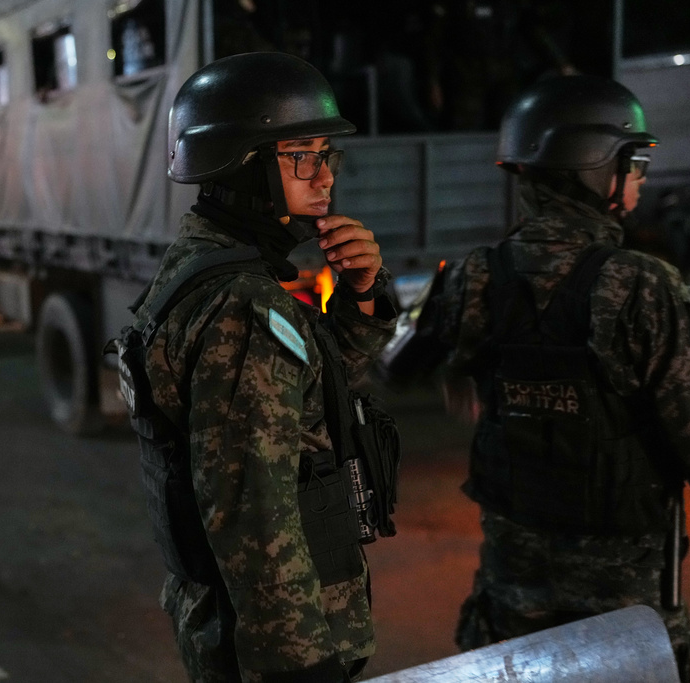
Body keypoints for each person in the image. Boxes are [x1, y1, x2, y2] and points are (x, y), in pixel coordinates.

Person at [386, 75, 690, 683]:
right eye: (635, 162)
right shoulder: (639, 286)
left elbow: (404, 362)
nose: (642, 177)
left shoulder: (476, 274)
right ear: (595, 168)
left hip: (512, 600)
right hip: (622, 614)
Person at [110, 52, 400, 682]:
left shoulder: (204, 261)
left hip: (237, 626)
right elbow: (254, 512)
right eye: (303, 156)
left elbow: (301, 402)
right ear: (244, 165)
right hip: (276, 647)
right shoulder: (242, 304)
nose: (325, 177)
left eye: (327, 155)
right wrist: (301, 668)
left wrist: (363, 293)